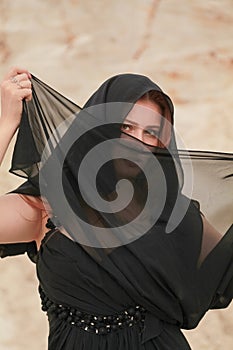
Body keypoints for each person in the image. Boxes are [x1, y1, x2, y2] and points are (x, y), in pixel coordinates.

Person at [0, 66, 233, 350]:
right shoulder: (45, 209)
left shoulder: (173, 216)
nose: (138, 143)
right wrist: (6, 122)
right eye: (127, 127)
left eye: (152, 133)